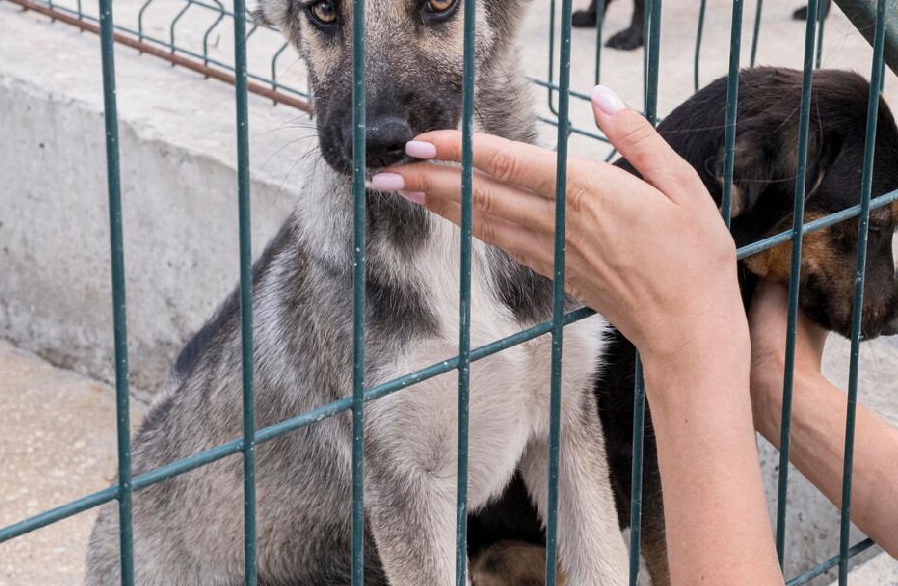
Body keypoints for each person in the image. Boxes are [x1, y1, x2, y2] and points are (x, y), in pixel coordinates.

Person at [370, 84, 898, 584]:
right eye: (873, 231)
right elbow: (652, 475)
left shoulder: (735, 245)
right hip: (488, 539)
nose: (885, 296)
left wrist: (762, 374)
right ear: (753, 181)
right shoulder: (621, 283)